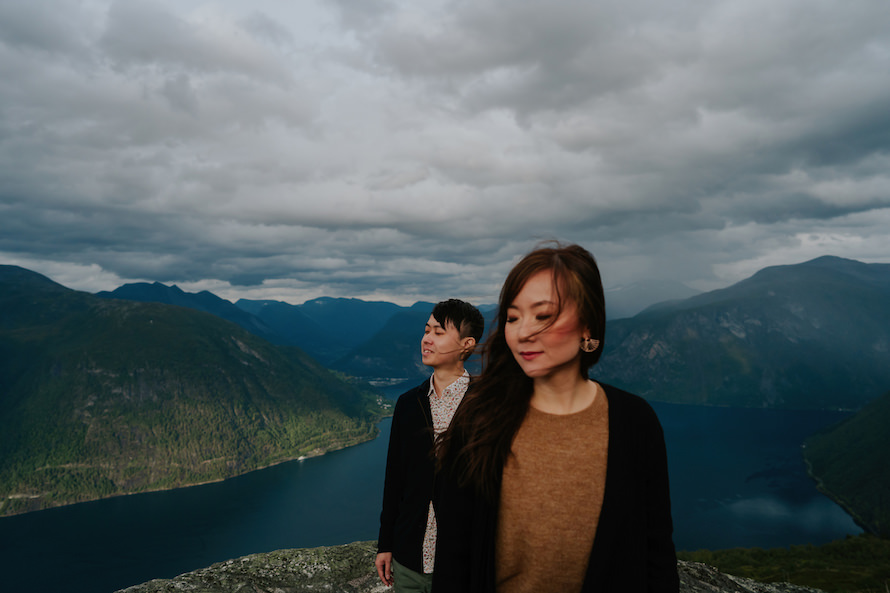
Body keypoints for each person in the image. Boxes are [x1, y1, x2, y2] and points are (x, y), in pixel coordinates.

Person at [433, 243, 679, 593]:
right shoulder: (480, 419)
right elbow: (454, 560)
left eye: (543, 315)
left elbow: (656, 553)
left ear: (587, 326)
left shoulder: (635, 422)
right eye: (513, 317)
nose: (523, 332)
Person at [376, 298, 486, 592]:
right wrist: (385, 544)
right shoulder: (408, 403)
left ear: (467, 344)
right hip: (408, 559)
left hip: (464, 560)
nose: (427, 339)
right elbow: (394, 479)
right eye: (426, 330)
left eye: (439, 332)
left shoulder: (486, 405)